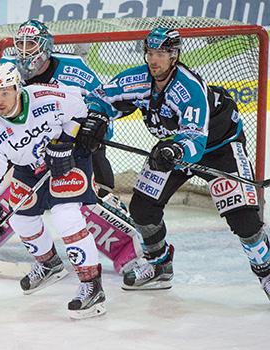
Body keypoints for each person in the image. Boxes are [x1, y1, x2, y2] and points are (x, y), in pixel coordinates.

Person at [78, 27, 270, 300]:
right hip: (173, 148)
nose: (154, 60)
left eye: (161, 54)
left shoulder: (188, 87)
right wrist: (97, 117)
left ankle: (267, 272)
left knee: (245, 220)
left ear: (174, 55)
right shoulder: (139, 78)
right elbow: (101, 97)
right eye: (150, 53)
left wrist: (175, 149)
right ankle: (160, 265)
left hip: (218, 148)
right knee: (143, 209)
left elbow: (195, 137)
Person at [0, 61, 106, 319]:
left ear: (17, 88)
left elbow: (80, 109)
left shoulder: (44, 95)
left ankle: (92, 285)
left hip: (67, 158)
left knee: (65, 215)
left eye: (5, 92)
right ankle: (49, 265)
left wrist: (65, 141)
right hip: (28, 166)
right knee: (21, 218)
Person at [0, 19, 115, 198]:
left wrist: (94, 129)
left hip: (67, 136)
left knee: (90, 139)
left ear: (46, 46)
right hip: (27, 139)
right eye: (20, 44)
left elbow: (101, 104)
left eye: (31, 44)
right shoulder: (6, 70)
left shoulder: (75, 69)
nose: (24, 51)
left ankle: (103, 192)